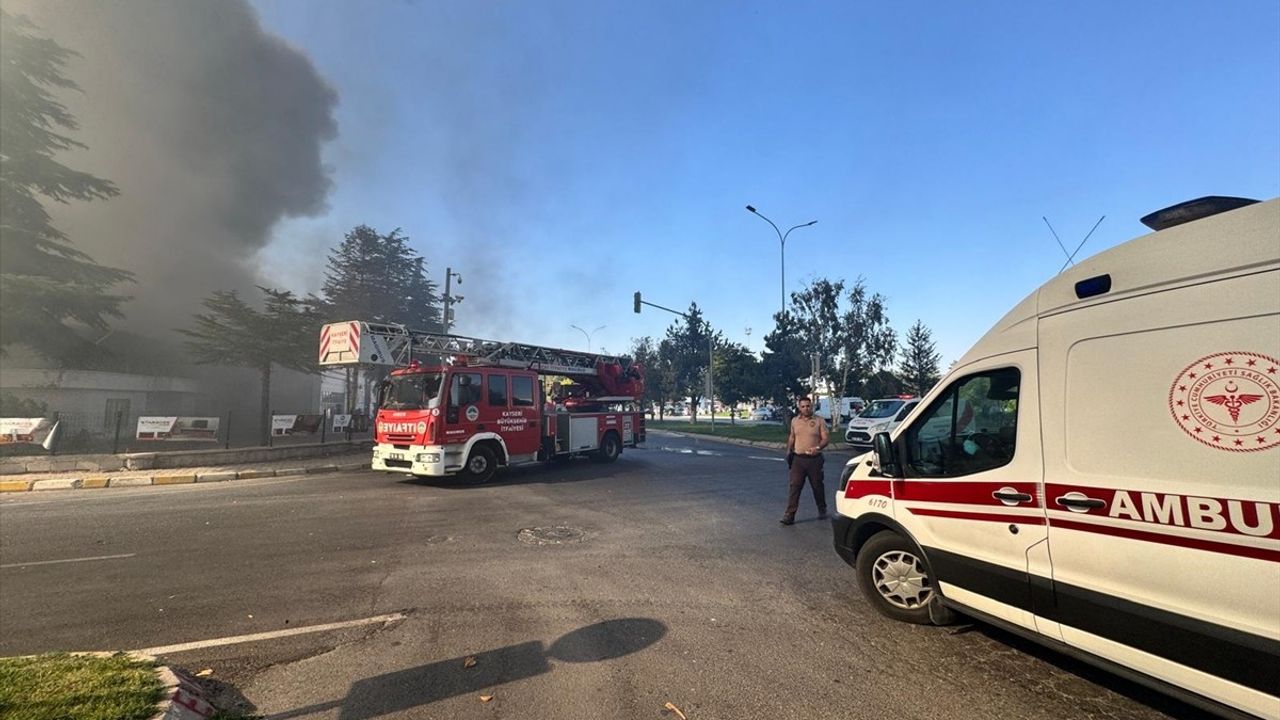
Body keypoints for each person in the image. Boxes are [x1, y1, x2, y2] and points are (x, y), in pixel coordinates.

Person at [781, 396, 829, 525]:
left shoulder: (819, 421)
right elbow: (792, 437)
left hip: (814, 460)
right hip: (798, 459)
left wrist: (818, 447)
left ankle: (822, 508)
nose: (806, 408)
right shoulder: (794, 421)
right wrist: (788, 450)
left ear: (811, 406)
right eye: (803, 406)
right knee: (795, 486)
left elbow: (825, 439)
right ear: (799, 407)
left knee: (817, 486)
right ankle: (789, 515)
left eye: (808, 406)